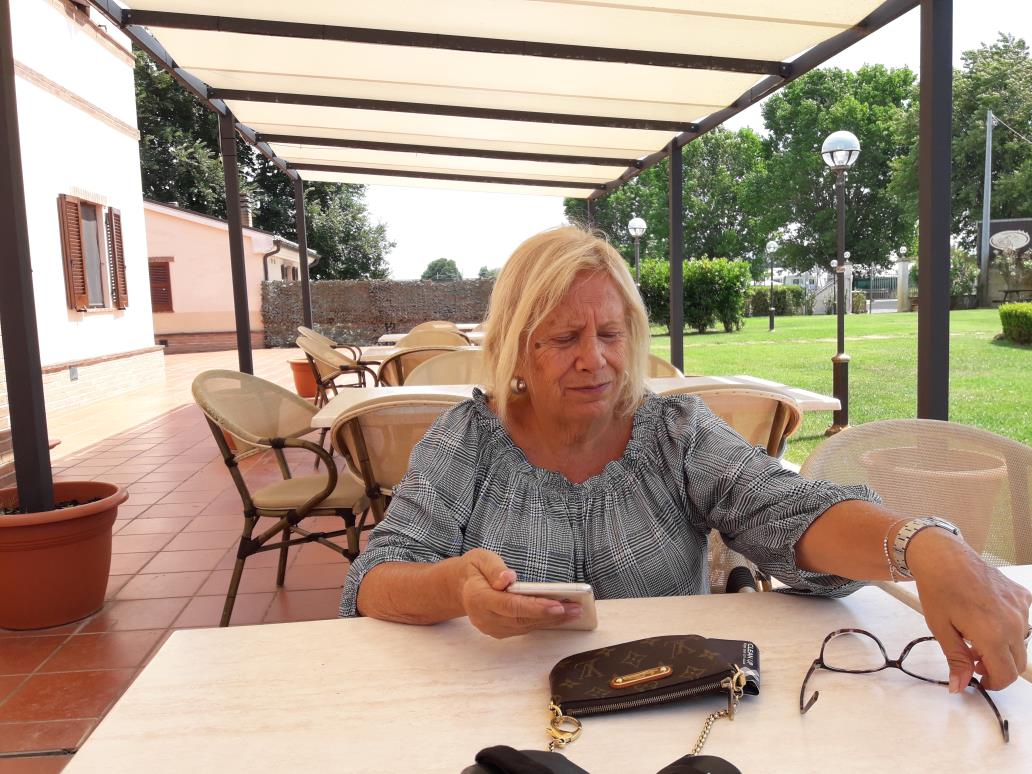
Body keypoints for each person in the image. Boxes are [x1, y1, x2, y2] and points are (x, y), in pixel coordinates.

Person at [340, 226, 1030, 692]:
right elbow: (374, 580)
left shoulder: (673, 433)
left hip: (675, 707)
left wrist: (923, 545)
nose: (595, 360)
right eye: (564, 338)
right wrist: (454, 589)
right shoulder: (467, 440)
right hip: (499, 711)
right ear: (517, 349)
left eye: (612, 333)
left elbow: (784, 507)